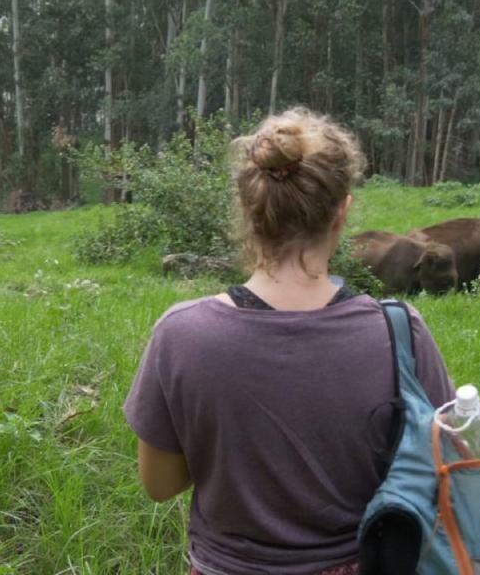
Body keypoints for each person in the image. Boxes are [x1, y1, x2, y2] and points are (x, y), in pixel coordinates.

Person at [123, 108, 455, 575]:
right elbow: (445, 471)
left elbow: (159, 485)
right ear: (342, 211)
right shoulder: (399, 331)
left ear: (248, 210)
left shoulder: (181, 333)